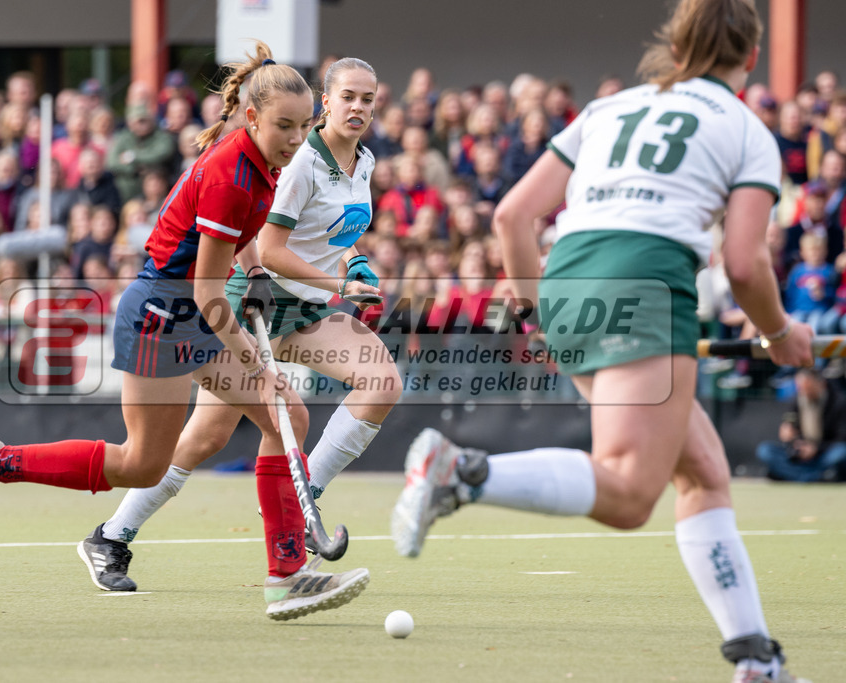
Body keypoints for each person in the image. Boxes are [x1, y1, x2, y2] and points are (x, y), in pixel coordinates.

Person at [391, 2, 813, 682]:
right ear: (752, 55)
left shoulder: (607, 109)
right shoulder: (746, 128)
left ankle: (756, 659)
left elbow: (513, 214)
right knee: (628, 492)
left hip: (567, 282)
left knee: (702, 471)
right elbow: (744, 262)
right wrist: (779, 333)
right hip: (645, 286)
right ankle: (464, 471)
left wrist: (538, 308)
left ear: (676, 49)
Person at [0, 42, 369, 622]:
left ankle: (286, 577)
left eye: (301, 127)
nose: (296, 140)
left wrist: (257, 269)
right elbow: (208, 295)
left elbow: (240, 244)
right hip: (160, 317)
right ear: (252, 119)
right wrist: (255, 360)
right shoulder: (231, 175)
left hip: (188, 313)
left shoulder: (266, 164)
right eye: (283, 127)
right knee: (141, 463)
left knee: (285, 414)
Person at [81, 56, 400, 590]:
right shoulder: (300, 160)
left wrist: (352, 261)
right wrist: (340, 287)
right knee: (204, 437)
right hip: (257, 303)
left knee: (381, 381)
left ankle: (302, 502)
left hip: (308, 308)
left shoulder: (362, 161)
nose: (358, 108)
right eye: (348, 96)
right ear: (325, 102)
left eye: (368, 99)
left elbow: (332, 234)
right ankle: (112, 535)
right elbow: (270, 249)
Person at [755, 368, 846, 482]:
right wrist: (792, 439)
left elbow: (841, 438)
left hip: (824, 453)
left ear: (821, 384)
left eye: (809, 389)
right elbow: (790, 428)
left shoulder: (839, 402)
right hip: (801, 455)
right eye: (802, 388)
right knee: (765, 450)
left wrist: (816, 449)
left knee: (840, 453)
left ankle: (791, 475)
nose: (805, 393)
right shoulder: (796, 400)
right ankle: (814, 477)